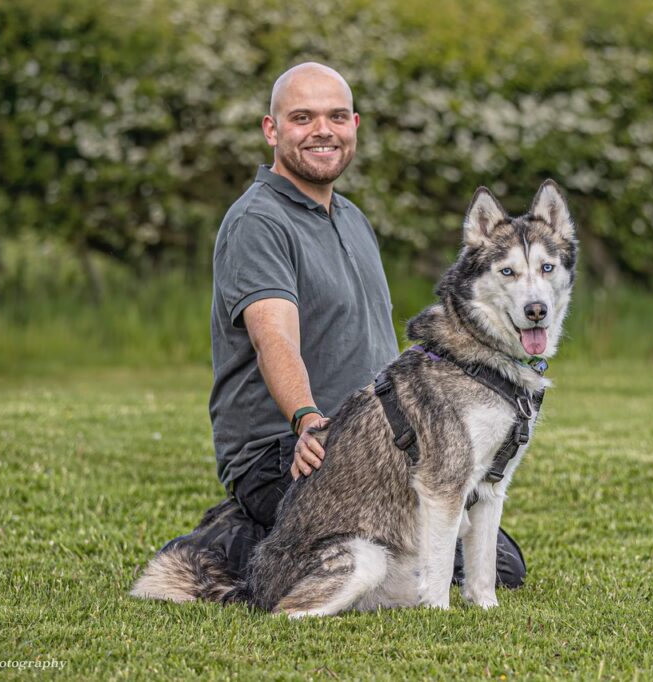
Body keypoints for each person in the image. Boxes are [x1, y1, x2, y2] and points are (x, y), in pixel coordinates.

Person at [183, 62, 525, 588]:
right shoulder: (259, 221)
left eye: (336, 116)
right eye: (303, 117)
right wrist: (306, 420)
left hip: (378, 445)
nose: (323, 130)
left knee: (500, 565)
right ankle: (231, 546)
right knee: (420, 567)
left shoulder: (351, 217)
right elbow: (273, 336)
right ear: (272, 130)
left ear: (355, 126)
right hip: (294, 452)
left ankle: (272, 534)